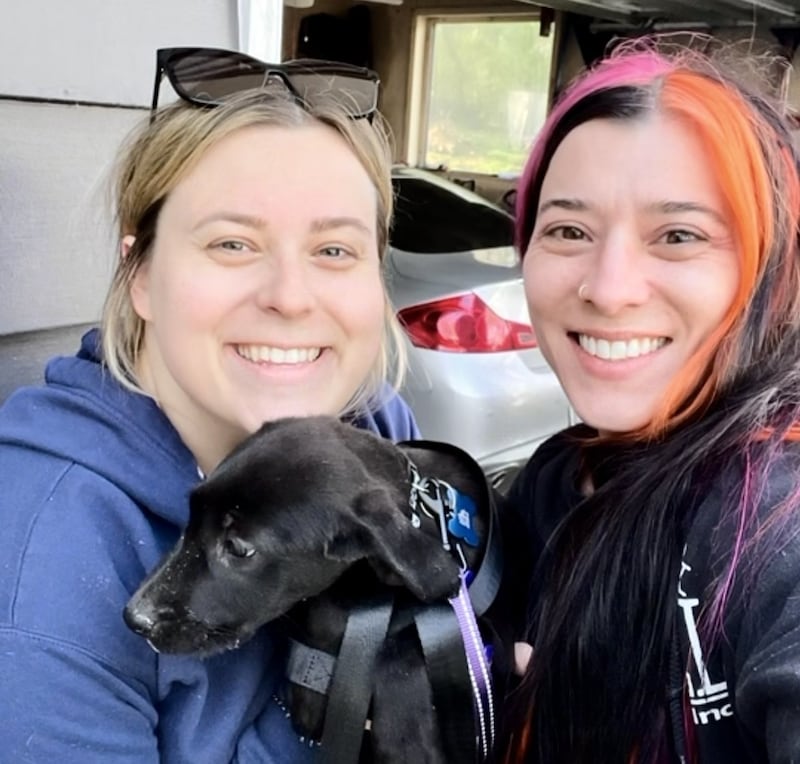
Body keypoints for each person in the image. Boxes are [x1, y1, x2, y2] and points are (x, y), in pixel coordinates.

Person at [0, 48, 419, 763]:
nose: (290, 296)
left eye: (335, 251)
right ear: (139, 274)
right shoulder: (47, 551)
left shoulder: (372, 428)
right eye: (232, 243)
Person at [500, 37, 800, 763]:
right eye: (569, 229)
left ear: (770, 268)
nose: (607, 288)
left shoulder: (774, 522)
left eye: (678, 236)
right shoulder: (550, 484)